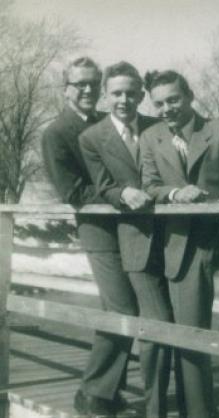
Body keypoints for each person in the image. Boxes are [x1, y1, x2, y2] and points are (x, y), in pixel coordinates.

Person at [140, 70, 219, 418]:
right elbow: (150, 184)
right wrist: (173, 193)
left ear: (190, 95)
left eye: (173, 100)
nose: (167, 108)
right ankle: (198, 411)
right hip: (183, 243)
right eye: (159, 103)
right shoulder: (151, 137)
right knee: (190, 335)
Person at [42, 57, 138, 418]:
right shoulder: (56, 133)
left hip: (131, 229)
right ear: (66, 89)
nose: (86, 90)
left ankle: (109, 390)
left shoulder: (106, 122)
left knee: (127, 307)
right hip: (99, 231)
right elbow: (74, 192)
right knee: (122, 309)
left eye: (92, 84)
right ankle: (93, 392)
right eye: (79, 84)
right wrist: (122, 196)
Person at [79, 61, 172, 418]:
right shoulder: (91, 137)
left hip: (170, 239)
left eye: (132, 93)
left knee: (167, 320)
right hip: (131, 237)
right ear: (105, 94)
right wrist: (123, 194)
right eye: (116, 93)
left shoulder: (157, 125)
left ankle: (159, 405)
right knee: (152, 319)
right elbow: (102, 185)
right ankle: (154, 408)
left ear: (142, 95)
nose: (124, 100)